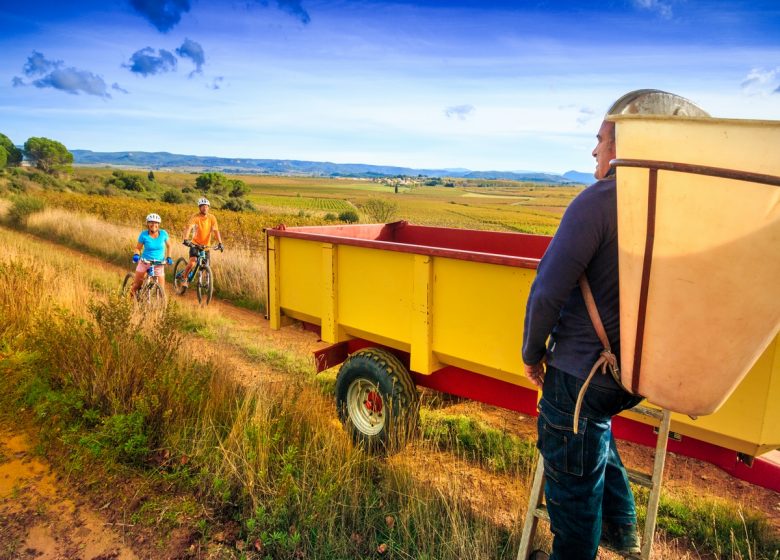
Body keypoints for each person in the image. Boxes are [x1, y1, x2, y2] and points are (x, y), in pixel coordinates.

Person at [522, 118, 643, 560]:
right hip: (628, 376)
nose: (594, 151)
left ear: (623, 146)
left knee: (572, 509)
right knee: (596, 429)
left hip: (579, 376)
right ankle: (624, 524)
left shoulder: (596, 203)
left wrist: (533, 354)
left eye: (600, 140)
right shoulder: (661, 208)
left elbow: (547, 289)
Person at [179, 197, 223, 289]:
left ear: (209, 207)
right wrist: (186, 239)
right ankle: (184, 278)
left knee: (206, 266)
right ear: (199, 208)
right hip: (195, 244)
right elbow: (189, 227)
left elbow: (216, 231)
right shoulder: (195, 217)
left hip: (206, 246)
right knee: (192, 263)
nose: (205, 208)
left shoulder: (212, 218)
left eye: (206, 206)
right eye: (202, 206)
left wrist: (220, 243)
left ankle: (206, 284)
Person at [130, 213, 173, 297]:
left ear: (159, 224)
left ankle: (159, 307)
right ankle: (129, 303)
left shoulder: (163, 234)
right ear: (147, 224)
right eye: (151, 222)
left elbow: (169, 246)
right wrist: (136, 255)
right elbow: (138, 248)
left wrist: (169, 257)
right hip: (144, 262)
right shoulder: (144, 234)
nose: (153, 225)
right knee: (136, 286)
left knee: (161, 290)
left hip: (158, 264)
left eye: (156, 223)